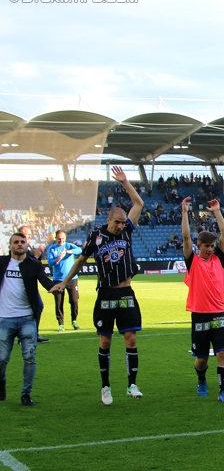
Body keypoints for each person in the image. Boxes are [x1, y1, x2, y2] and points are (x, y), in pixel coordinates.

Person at [55, 166, 145, 405]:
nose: (121, 225)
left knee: (131, 339)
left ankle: (132, 384)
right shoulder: (95, 237)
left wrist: (125, 182)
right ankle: (105, 387)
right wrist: (64, 282)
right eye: (117, 222)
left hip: (126, 292)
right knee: (105, 341)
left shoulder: (127, 232)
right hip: (105, 293)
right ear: (108, 220)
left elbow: (139, 204)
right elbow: (81, 260)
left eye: (123, 222)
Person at [182, 198, 224, 403]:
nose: (210, 249)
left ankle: (223, 392)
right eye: (206, 246)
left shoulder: (218, 259)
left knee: (222, 353)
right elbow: (186, 237)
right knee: (201, 359)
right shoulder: (192, 261)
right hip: (200, 315)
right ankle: (202, 378)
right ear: (199, 246)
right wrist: (184, 212)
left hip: (219, 313)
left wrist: (217, 211)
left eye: (212, 246)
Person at [0, 233, 60, 407]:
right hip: (4, 318)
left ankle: (26, 394)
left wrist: (55, 287)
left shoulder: (33, 265)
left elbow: (46, 283)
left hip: (27, 318)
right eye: (16, 242)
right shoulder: (2, 263)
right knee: (2, 358)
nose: (19, 245)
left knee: (29, 357)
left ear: (27, 245)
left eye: (22, 242)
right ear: (10, 246)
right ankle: (1, 381)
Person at [46, 230, 82, 331]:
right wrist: (58, 258)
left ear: (65, 238)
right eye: (59, 238)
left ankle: (74, 320)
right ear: (56, 238)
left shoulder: (69, 246)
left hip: (72, 278)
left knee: (74, 300)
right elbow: (50, 263)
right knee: (58, 302)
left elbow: (80, 250)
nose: (61, 240)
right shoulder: (52, 248)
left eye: (62, 238)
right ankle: (60, 323)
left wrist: (68, 251)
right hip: (58, 280)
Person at [18, 227, 48, 343]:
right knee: (31, 308)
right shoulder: (19, 248)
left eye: (30, 234)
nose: (29, 236)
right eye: (27, 234)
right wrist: (35, 256)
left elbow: (35, 265)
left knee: (37, 307)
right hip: (22, 285)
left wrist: (38, 256)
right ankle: (26, 335)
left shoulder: (28, 247)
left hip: (31, 285)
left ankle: (32, 334)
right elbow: (25, 266)